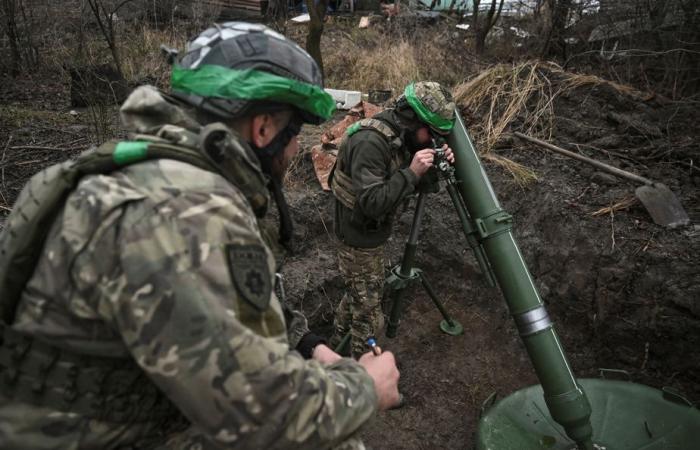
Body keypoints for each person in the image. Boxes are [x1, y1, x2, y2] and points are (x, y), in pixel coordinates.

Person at [0, 22, 400, 449]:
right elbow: (262, 416)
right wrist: (365, 388)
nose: (294, 150)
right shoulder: (186, 212)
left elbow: (215, 304)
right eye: (295, 134)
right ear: (264, 129)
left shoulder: (128, 175)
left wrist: (308, 344)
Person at [329, 81, 456, 357]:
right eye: (431, 134)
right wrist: (412, 172)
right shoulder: (370, 142)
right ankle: (363, 384)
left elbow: (418, 185)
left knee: (358, 296)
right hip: (357, 238)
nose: (433, 140)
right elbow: (372, 203)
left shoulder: (403, 136)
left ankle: (333, 350)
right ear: (412, 119)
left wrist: (432, 165)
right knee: (369, 319)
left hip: (372, 234)